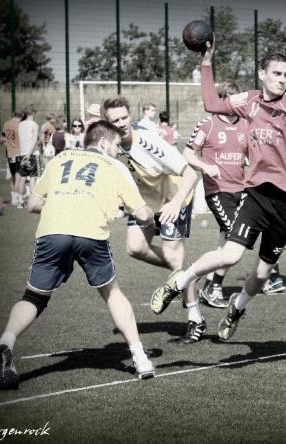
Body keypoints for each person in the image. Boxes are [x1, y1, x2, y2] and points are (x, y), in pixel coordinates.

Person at [151, 40, 286, 341]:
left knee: (262, 273)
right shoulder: (248, 101)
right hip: (257, 194)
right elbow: (211, 103)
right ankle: (179, 283)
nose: (282, 79)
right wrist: (206, 62)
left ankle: (236, 309)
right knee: (230, 254)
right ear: (262, 74)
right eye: (276, 73)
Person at [0, 121, 156, 390]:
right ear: (103, 143)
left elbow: (33, 204)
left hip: (52, 231)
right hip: (90, 232)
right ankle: (140, 358)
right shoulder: (114, 166)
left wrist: (64, 203)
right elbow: (141, 213)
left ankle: (6, 341)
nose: (118, 150)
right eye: (116, 145)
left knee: (34, 296)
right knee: (112, 292)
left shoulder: (60, 159)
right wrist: (151, 220)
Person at [102, 97, 202, 343]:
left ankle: (196, 319)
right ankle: (186, 273)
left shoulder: (149, 142)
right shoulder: (109, 148)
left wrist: (175, 203)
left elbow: (190, 174)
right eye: (115, 120)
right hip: (145, 204)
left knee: (174, 257)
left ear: (130, 116)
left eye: (124, 117)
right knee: (135, 248)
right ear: (107, 123)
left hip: (173, 199)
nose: (121, 123)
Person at [183, 81, 249, 308]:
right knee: (235, 239)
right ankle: (213, 286)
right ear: (221, 100)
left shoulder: (246, 124)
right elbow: (188, 154)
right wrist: (205, 166)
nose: (235, 103)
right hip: (218, 191)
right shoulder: (207, 124)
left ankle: (200, 279)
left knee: (226, 246)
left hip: (242, 190)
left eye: (238, 99)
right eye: (230, 98)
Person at [17, 106, 40, 208]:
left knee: (22, 178)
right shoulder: (34, 124)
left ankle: (20, 201)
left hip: (22, 153)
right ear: (33, 113)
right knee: (33, 178)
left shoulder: (20, 124)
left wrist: (24, 154)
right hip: (31, 154)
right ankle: (32, 201)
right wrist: (29, 154)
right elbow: (34, 141)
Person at [2, 111, 22, 206]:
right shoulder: (20, 125)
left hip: (10, 154)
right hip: (18, 153)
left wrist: (8, 144)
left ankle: (14, 199)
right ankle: (18, 198)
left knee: (13, 176)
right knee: (18, 176)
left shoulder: (6, 124)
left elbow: (3, 137)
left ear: (13, 115)